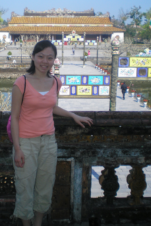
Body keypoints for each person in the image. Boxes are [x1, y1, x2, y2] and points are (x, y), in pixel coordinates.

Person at [11, 40, 93, 226]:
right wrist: (17, 148)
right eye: (40, 56)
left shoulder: (56, 81)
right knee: (24, 186)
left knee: (45, 186)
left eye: (49, 57)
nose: (44, 61)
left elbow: (52, 107)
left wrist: (73, 115)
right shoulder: (21, 83)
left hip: (48, 142)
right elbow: (14, 117)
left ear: (54, 60)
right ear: (33, 57)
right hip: (26, 143)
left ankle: (38, 223)